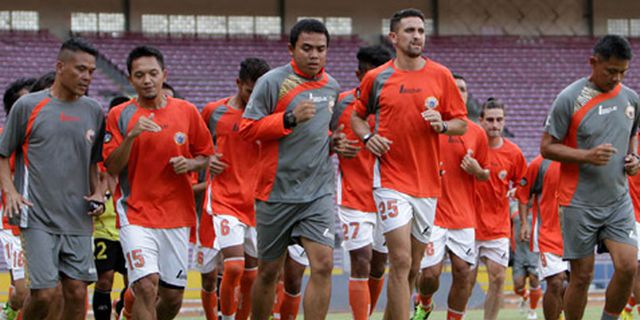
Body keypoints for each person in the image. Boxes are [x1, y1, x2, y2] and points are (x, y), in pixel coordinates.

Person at [351, 8, 467, 319]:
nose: (417, 36)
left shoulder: (441, 75)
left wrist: (442, 125)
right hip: (390, 181)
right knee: (400, 262)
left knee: (413, 268)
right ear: (394, 37)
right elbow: (356, 117)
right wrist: (366, 138)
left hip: (428, 184)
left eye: (420, 30)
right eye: (410, 30)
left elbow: (461, 123)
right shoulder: (378, 77)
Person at [240, 18, 355, 320]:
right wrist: (287, 119)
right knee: (268, 273)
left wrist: (337, 143)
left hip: (317, 192)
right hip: (275, 193)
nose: (314, 55)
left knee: (324, 264)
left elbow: (326, 135)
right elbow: (247, 129)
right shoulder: (272, 82)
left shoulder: (332, 87)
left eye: (321, 49)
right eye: (307, 48)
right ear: (291, 49)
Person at [103, 45, 214, 320]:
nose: (147, 80)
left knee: (172, 297)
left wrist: (190, 164)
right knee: (145, 285)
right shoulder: (120, 116)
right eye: (140, 75)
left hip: (176, 216)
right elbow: (112, 165)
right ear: (130, 79)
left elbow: (207, 156)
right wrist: (131, 136)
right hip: (136, 214)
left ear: (164, 74)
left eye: (153, 73)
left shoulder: (187, 111)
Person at [0, 38, 106, 320]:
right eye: (81, 69)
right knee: (44, 293)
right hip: (36, 216)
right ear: (60, 67)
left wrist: (97, 192)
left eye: (92, 71)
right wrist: (9, 189)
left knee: (77, 292)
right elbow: (3, 152)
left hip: (77, 218)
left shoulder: (94, 111)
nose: (87, 76)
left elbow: (93, 163)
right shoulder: (28, 106)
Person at [540, 34, 640, 320]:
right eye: (611, 71)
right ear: (593, 62)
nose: (617, 78)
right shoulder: (569, 99)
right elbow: (546, 147)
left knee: (628, 266)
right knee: (581, 277)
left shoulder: (631, 98)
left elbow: (632, 133)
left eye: (623, 72)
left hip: (618, 200)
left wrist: (634, 158)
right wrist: (586, 155)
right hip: (578, 202)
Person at [414, 73, 489, 320]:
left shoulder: (477, 133)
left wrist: (477, 170)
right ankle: (424, 303)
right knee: (429, 275)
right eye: (454, 89)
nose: (459, 92)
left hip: (463, 216)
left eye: (463, 89)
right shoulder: (430, 127)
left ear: (467, 96)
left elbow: (485, 174)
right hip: (431, 214)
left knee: (463, 272)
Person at [201, 57, 270, 320]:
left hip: (257, 203)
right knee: (233, 268)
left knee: (252, 273)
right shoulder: (213, 112)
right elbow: (197, 147)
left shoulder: (269, 115)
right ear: (238, 83)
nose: (254, 98)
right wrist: (207, 159)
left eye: (260, 92)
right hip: (224, 199)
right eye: (250, 91)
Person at [333, 44, 392, 319]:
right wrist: (334, 144)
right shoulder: (341, 103)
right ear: (359, 75)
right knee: (362, 260)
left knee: (379, 265)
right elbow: (319, 139)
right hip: (353, 194)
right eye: (369, 75)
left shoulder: (396, 105)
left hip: (389, 196)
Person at [471, 98, 527, 320]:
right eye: (491, 120)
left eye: (499, 120)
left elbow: (523, 182)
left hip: (498, 226)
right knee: (464, 278)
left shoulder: (513, 153)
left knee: (498, 277)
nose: (495, 124)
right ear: (481, 121)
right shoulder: (471, 148)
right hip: (469, 225)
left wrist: (516, 191)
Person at [0, 77, 36, 320]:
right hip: (13, 224)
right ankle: (9, 312)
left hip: (48, 221)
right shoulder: (4, 137)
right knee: (23, 291)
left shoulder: (50, 135)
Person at [92, 96, 130, 320]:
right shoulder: (101, 148)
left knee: (134, 281)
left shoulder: (137, 146)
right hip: (103, 226)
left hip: (131, 224)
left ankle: (122, 309)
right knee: (104, 277)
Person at [516, 155, 565, 320]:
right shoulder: (539, 164)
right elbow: (522, 194)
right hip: (547, 232)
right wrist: (524, 223)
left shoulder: (582, 156)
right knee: (556, 281)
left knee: (573, 284)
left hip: (577, 233)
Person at [510, 201, 541, 320]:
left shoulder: (539, 206)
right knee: (518, 285)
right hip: (518, 252)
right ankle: (525, 296)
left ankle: (532, 311)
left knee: (534, 279)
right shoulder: (513, 206)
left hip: (534, 251)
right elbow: (508, 224)